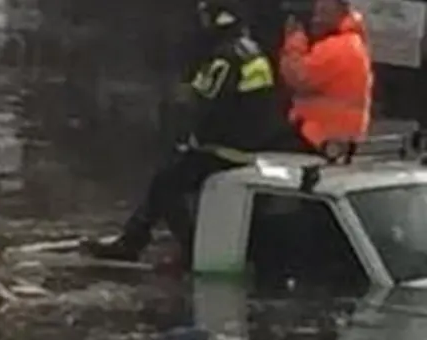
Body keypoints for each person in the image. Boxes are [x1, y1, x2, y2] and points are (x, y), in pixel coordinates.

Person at [82, 0, 288, 265]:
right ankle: (136, 240)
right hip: (252, 145)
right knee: (172, 177)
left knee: (166, 183)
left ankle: (180, 247)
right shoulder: (253, 52)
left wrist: (184, 131)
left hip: (227, 149)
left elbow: (202, 103)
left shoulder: (224, 58)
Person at [278, 0, 371, 155]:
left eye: (323, 12)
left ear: (341, 11)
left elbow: (297, 76)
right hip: (331, 136)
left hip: (320, 136)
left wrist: (294, 40)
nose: (317, 18)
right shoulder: (349, 43)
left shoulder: (339, 47)